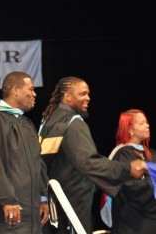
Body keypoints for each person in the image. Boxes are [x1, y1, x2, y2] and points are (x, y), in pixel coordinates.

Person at [38, 76, 147, 234]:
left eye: (88, 94)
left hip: (54, 203)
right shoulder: (73, 123)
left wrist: (42, 197)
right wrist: (127, 169)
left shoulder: (48, 122)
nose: (88, 98)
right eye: (82, 94)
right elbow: (88, 162)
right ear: (67, 96)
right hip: (72, 206)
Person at [0, 71, 49, 234]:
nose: (34, 94)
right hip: (6, 211)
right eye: (30, 89)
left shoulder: (26, 123)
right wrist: (6, 199)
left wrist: (43, 198)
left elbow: (38, 162)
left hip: (30, 210)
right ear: (16, 90)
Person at [107, 109, 156, 234]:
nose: (147, 125)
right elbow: (131, 187)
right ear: (130, 130)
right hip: (132, 222)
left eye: (147, 122)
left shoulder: (151, 154)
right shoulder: (122, 155)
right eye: (142, 123)